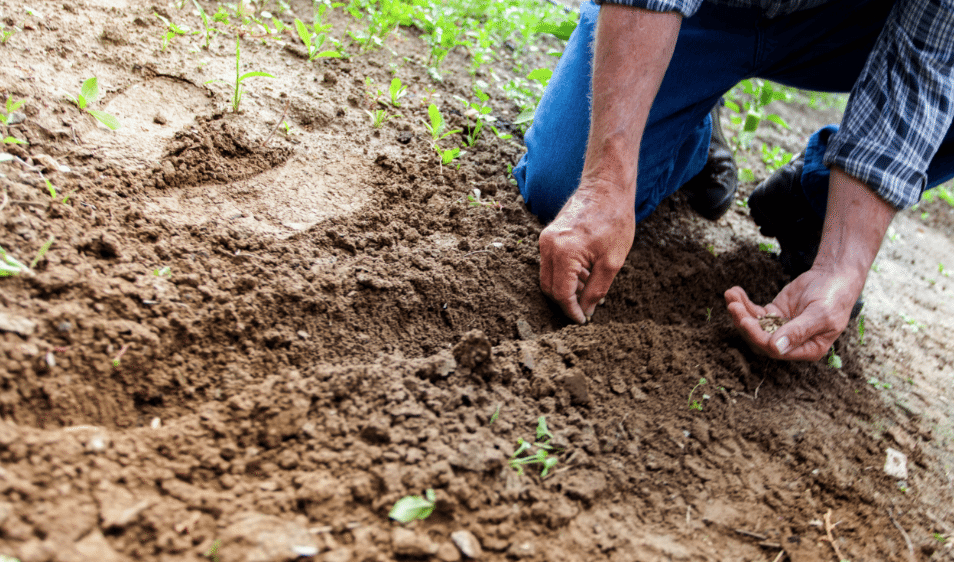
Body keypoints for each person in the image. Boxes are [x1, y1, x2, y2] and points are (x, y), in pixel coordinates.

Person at [512, 0, 954, 361]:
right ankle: (690, 126)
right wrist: (605, 183)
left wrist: (841, 266)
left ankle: (816, 200)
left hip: (848, 25)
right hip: (704, 10)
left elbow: (925, 60)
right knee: (562, 186)